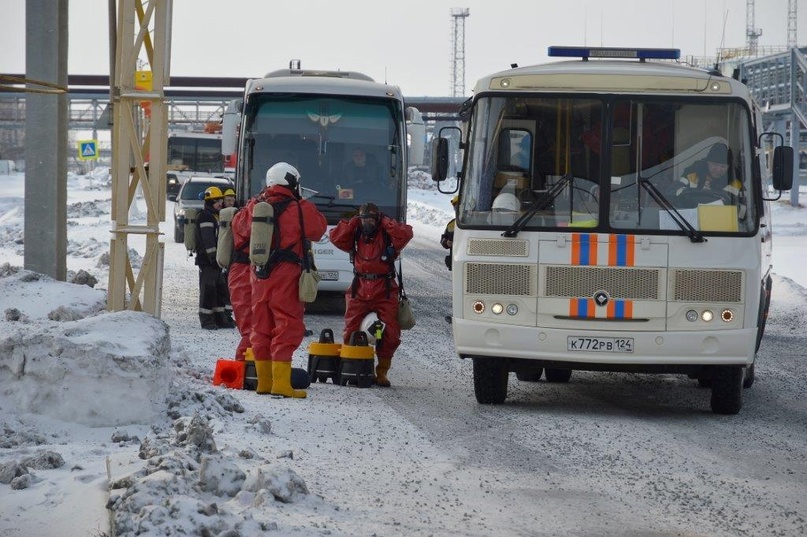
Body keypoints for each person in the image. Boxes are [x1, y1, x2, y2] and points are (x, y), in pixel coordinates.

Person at [230, 162, 327, 398]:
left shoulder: (256, 205)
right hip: (287, 273)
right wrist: (303, 202)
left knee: (260, 326)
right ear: (293, 182)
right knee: (287, 324)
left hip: (259, 275)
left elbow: (238, 228)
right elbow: (318, 229)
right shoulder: (299, 207)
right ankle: (281, 384)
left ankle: (264, 382)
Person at [329, 202, 413, 387]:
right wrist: (353, 223)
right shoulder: (356, 233)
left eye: (371, 219)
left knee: (390, 334)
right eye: (364, 219)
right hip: (359, 288)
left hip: (384, 289)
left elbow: (406, 234)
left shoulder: (387, 233)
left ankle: (381, 372)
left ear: (378, 219)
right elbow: (335, 237)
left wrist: (386, 223)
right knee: (351, 330)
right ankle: (351, 366)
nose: (367, 223)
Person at [194, 186, 234, 330]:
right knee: (208, 290)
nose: (220, 204)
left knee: (219, 290)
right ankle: (206, 320)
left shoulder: (215, 215)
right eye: (217, 201)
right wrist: (213, 258)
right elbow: (208, 240)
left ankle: (219, 318)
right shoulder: (205, 216)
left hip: (216, 261)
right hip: (208, 262)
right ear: (210, 202)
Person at [675, 142, 742, 199]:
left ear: (729, 167)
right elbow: (677, 190)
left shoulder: (735, 181)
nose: (718, 170)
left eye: (723, 166)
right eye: (715, 164)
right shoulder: (692, 172)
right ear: (707, 162)